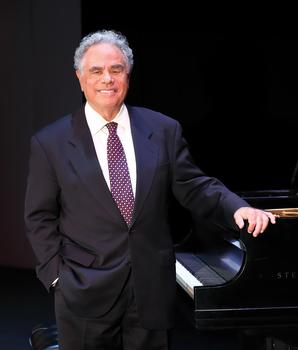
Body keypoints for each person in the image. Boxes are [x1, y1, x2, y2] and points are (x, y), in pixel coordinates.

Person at [24, 29, 276, 350]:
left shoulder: (163, 130)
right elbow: (39, 217)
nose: (107, 79)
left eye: (116, 70)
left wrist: (237, 207)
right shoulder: (51, 143)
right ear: (79, 77)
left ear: (128, 75)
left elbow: (195, 186)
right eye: (96, 71)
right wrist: (57, 278)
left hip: (151, 291)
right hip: (83, 292)